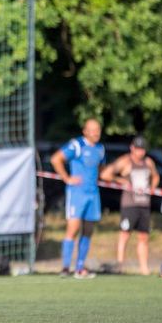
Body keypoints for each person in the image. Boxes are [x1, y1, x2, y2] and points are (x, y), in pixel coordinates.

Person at [51, 118, 105, 279]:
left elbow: (101, 168)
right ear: (85, 131)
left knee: (88, 230)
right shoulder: (77, 145)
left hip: (93, 193)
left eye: (98, 130)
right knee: (73, 229)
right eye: (92, 130)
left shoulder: (101, 149)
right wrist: (67, 178)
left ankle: (80, 267)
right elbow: (56, 159)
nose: (96, 133)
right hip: (77, 194)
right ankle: (65, 268)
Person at [100, 136, 159, 275]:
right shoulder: (125, 161)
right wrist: (120, 180)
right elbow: (105, 174)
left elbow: (156, 176)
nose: (140, 152)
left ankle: (144, 268)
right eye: (138, 149)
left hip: (144, 204)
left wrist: (152, 187)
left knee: (144, 237)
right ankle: (120, 265)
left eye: (142, 149)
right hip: (130, 205)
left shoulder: (148, 162)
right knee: (125, 235)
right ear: (132, 148)